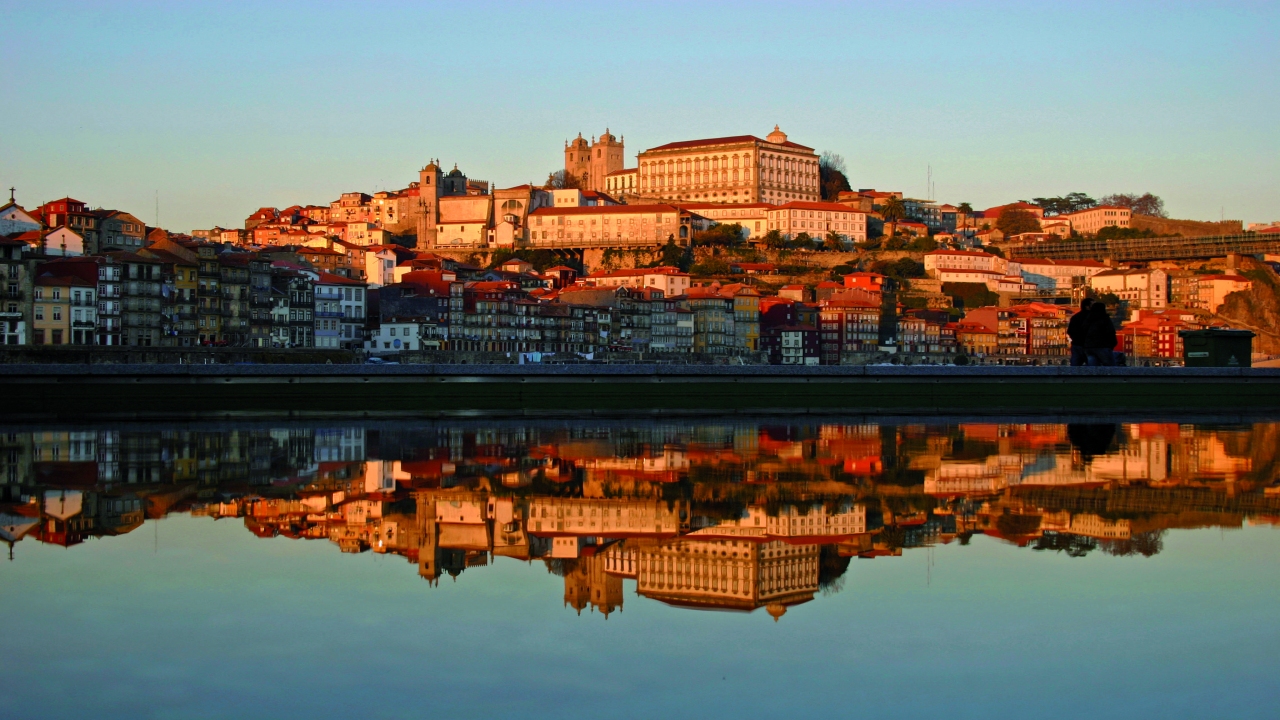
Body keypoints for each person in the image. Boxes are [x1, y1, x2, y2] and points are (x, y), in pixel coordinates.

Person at [1083, 302, 1117, 366]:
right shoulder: (1105, 319)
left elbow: (1082, 332)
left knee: (1092, 368)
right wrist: (1112, 344)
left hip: (1089, 347)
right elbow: (1110, 332)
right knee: (1111, 367)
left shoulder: (1088, 319)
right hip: (1102, 346)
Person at [1067, 298, 1094, 367]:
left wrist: (1076, 339)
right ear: (1087, 306)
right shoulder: (1093, 318)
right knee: (1092, 367)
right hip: (1089, 346)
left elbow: (1069, 331)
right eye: (1093, 305)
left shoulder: (1075, 317)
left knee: (1074, 368)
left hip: (1076, 345)